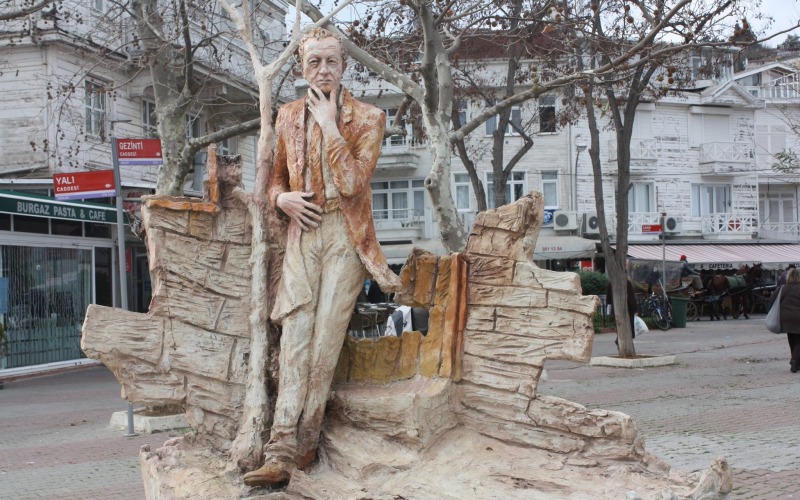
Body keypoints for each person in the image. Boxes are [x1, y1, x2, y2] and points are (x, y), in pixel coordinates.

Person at [245, 27, 401, 486]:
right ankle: (279, 448)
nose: (324, 70)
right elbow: (272, 180)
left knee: (324, 343)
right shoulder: (287, 116)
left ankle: (307, 441)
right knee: (295, 337)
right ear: (301, 67)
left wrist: (331, 126)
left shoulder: (368, 118)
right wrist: (281, 199)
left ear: (344, 66)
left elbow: (352, 184)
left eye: (332, 61)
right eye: (314, 62)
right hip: (303, 233)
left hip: (344, 236)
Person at [769, 268, 800, 373]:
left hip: (785, 318)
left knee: (791, 338)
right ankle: (795, 360)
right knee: (799, 340)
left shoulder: (782, 288)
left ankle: (796, 362)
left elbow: (772, 301)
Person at [606, 278, 638, 346]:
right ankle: (622, 341)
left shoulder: (610, 283)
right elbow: (631, 298)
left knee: (619, 326)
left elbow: (608, 299)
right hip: (627, 309)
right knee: (629, 327)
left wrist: (609, 312)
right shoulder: (627, 283)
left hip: (615, 309)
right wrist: (634, 310)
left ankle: (620, 340)